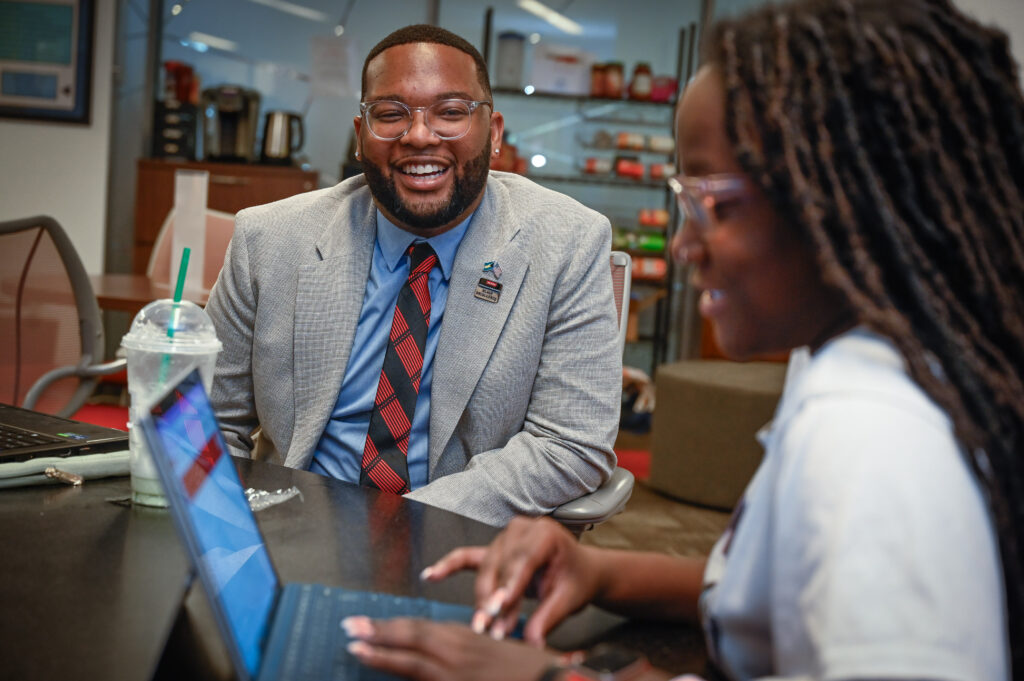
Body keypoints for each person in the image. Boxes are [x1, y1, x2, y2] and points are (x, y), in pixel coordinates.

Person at [338, 1, 1024, 679]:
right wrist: (597, 568)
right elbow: (763, 597)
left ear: (849, 208)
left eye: (715, 204)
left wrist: (549, 677)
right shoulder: (853, 366)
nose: (685, 243)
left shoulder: (872, 436)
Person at [205, 24, 621, 527]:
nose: (420, 136)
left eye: (451, 113)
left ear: (494, 134)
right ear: (360, 137)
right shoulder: (268, 239)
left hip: (457, 542)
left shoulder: (568, 243)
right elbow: (211, 420)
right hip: (292, 533)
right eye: (390, 114)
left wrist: (406, 525)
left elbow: (570, 443)